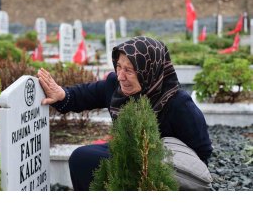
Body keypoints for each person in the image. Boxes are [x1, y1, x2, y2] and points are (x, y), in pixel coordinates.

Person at [37, 36, 213, 191]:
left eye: (129, 70)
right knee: (81, 159)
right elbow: (86, 94)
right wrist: (62, 95)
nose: (121, 76)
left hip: (164, 166)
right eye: (119, 67)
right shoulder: (116, 85)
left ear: (149, 70)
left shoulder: (178, 103)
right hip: (128, 151)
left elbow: (202, 151)